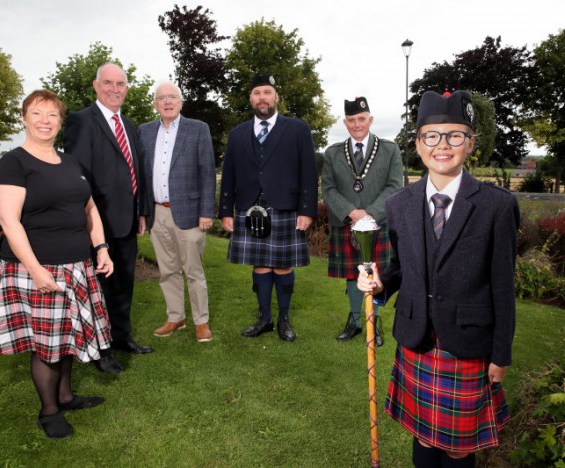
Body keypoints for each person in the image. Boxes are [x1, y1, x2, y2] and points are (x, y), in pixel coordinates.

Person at [357, 90, 520, 467]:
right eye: (432, 135)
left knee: (457, 447)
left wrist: (501, 353)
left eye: (454, 135)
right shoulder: (399, 204)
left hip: (468, 343)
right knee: (424, 439)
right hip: (416, 340)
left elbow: (502, 286)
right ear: (418, 143)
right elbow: (402, 266)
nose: (442, 145)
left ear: (471, 143)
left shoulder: (497, 206)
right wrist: (381, 283)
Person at [0, 90, 113, 439]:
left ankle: (66, 396)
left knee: (67, 338)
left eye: (52, 115)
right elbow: (9, 221)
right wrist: (35, 269)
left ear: (61, 121)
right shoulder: (14, 162)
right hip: (37, 268)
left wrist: (101, 248)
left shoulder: (71, 162)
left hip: (77, 265)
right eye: (36, 113)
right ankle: (49, 412)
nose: (44, 121)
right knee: (47, 344)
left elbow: (90, 209)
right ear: (24, 118)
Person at [64, 63, 153, 374]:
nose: (115, 89)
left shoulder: (129, 124)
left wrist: (142, 211)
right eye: (108, 83)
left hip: (127, 221)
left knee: (123, 284)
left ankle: (121, 338)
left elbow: (137, 172)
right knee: (98, 288)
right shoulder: (80, 121)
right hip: (96, 223)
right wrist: (87, 223)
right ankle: (100, 350)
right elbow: (77, 176)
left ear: (127, 88)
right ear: (96, 85)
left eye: (121, 83)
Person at [219, 74, 318, 342]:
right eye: (256, 93)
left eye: (267, 92)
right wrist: (226, 210)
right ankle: (264, 318)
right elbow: (229, 173)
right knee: (260, 265)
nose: (262, 97)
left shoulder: (298, 129)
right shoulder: (237, 134)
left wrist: (306, 210)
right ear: (251, 98)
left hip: (285, 207)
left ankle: (284, 319)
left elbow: (308, 172)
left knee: (283, 266)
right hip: (249, 208)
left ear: (276, 97)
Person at [137, 81, 216, 342]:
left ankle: (201, 321)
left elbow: (207, 172)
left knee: (193, 270)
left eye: (172, 97)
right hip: (157, 213)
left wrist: (206, 211)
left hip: (190, 213)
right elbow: (140, 175)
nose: (167, 101)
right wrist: (142, 213)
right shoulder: (145, 132)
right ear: (155, 104)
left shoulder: (197, 129)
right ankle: (175, 317)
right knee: (167, 270)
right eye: (162, 98)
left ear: (181, 102)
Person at [322, 97, 402, 346]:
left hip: (378, 223)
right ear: (345, 123)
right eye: (351, 120)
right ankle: (356, 321)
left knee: (374, 272)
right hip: (346, 222)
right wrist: (352, 213)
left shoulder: (390, 150)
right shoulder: (332, 152)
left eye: (361, 119)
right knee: (352, 274)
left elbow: (394, 186)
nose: (357, 124)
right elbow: (328, 188)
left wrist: (369, 215)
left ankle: (373, 322)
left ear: (370, 120)